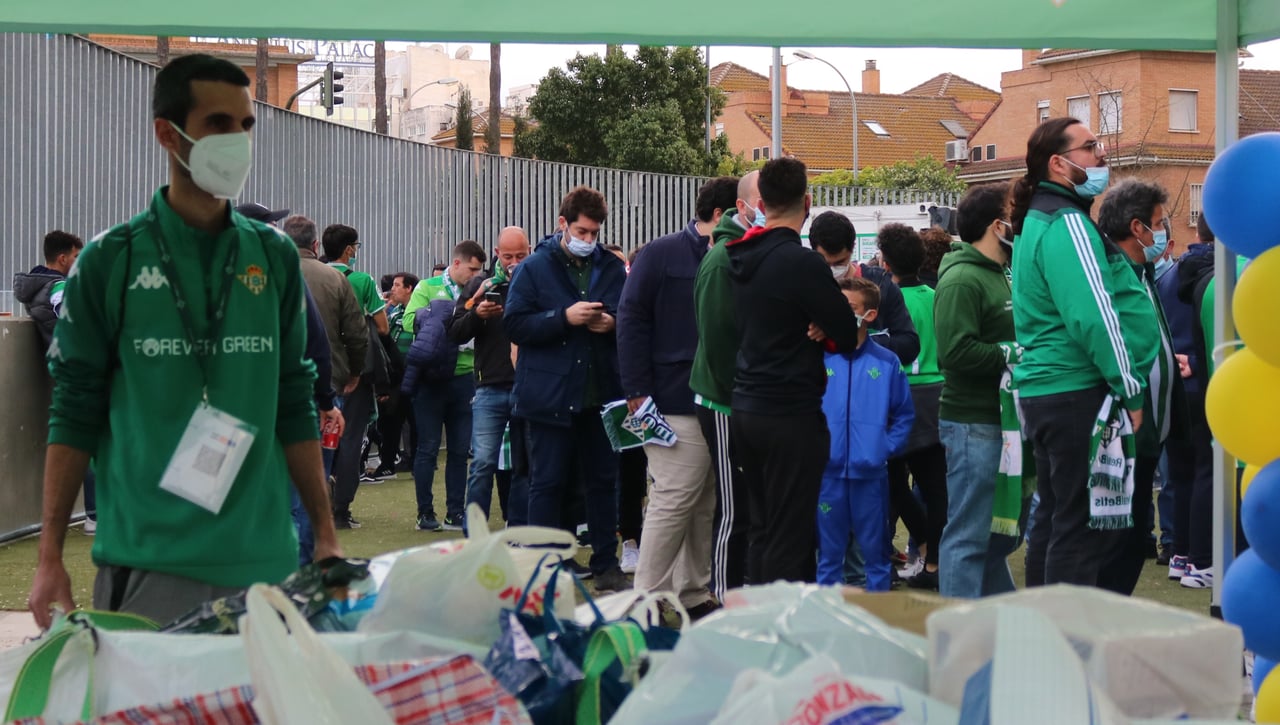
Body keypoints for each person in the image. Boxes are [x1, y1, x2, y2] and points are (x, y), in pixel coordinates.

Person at [28, 54, 340, 627]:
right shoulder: (110, 260)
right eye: (219, 125)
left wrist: (324, 534)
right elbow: (74, 409)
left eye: (245, 126)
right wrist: (49, 554)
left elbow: (293, 397)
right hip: (145, 562)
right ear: (167, 134)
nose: (238, 141)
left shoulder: (272, 256)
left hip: (263, 558)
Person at [1010, 117, 1158, 588]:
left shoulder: (1043, 217)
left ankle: (1045, 639)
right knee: (1076, 528)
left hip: (1055, 391)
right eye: (1090, 147)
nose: (1101, 156)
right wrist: (1130, 388)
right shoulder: (1067, 222)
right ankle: (1063, 645)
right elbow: (1094, 315)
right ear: (1059, 163)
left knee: (1058, 519)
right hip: (1074, 391)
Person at [726, 157, 861, 584]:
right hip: (789, 411)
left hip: (745, 407)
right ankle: (783, 634)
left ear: (761, 203)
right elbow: (846, 331)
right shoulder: (802, 264)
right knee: (791, 533)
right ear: (808, 202)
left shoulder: (735, 259)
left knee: (763, 528)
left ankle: (759, 622)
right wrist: (826, 323)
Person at [618, 176, 738, 618]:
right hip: (670, 399)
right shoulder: (661, 253)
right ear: (724, 214)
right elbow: (631, 319)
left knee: (703, 499)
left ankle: (691, 592)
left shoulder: (729, 254)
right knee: (673, 497)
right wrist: (636, 390)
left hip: (715, 400)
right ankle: (644, 600)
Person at [504, 186, 630, 593]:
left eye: (595, 233)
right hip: (548, 397)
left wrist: (611, 324)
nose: (589, 240)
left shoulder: (610, 268)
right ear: (563, 224)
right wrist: (564, 317)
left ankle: (606, 565)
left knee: (602, 481)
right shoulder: (534, 267)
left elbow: (629, 316)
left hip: (599, 395)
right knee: (547, 482)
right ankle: (545, 565)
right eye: (582, 231)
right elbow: (515, 325)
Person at [934, 183, 1026, 599]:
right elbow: (954, 353)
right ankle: (957, 641)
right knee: (969, 536)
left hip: (1001, 423)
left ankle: (994, 628)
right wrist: (1012, 352)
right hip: (974, 424)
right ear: (996, 224)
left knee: (998, 535)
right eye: (1012, 213)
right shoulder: (962, 279)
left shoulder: (1003, 272)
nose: (1018, 221)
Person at [1095, 178, 1182, 595]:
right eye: (1158, 223)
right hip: (1126, 430)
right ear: (1137, 228)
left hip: (1149, 432)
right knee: (1117, 541)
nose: (1163, 232)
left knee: (1131, 539)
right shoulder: (1113, 275)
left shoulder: (1143, 272)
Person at [817, 277, 914, 591]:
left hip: (870, 476)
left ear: (869, 316)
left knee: (876, 556)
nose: (840, 313)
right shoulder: (818, 359)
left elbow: (904, 414)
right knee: (828, 557)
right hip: (827, 476)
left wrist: (882, 448)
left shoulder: (886, 362)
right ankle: (825, 625)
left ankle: (877, 625)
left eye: (849, 308)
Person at [691, 170, 757, 599]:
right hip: (725, 402)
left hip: (749, 401)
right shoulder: (722, 259)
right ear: (744, 206)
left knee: (751, 504)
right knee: (733, 508)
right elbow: (717, 343)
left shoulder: (752, 250)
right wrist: (742, 396)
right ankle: (722, 593)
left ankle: (744, 588)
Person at [876, 223, 949, 591]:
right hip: (937, 392)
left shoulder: (889, 299)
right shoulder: (936, 294)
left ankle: (890, 558)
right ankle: (933, 562)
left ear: (885, 262)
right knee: (935, 486)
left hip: (901, 393)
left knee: (891, 482)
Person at [15, 231, 96, 534]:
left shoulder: (37, 288)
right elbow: (72, 319)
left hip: (63, 371)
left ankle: (96, 514)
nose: (80, 262)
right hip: (81, 372)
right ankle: (96, 515)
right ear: (63, 258)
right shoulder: (59, 287)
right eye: (77, 256)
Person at [403, 240, 486, 531]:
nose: (477, 275)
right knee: (427, 448)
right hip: (431, 379)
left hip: (465, 377)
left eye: (480, 270)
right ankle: (424, 512)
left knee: (460, 450)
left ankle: (455, 512)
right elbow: (408, 319)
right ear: (457, 263)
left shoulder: (481, 289)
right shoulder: (427, 287)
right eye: (473, 269)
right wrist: (443, 317)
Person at [451, 229, 530, 527]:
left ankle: (519, 527)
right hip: (489, 388)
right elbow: (454, 331)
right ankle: (475, 532)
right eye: (508, 256)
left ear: (530, 250)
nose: (513, 262)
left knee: (525, 466)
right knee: (483, 464)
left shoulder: (537, 281)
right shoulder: (480, 285)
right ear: (497, 253)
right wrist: (478, 313)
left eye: (520, 256)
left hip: (527, 386)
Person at [1162, 214, 1218, 587]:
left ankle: (1180, 553)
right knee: (1206, 472)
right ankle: (1201, 560)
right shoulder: (1220, 277)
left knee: (1180, 475)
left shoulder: (1168, 276)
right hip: (1204, 384)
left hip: (1173, 385)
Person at [320, 224, 387, 529]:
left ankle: (313, 505)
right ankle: (340, 509)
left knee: (317, 438)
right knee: (348, 440)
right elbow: (382, 327)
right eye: (356, 247)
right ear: (348, 250)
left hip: (318, 369)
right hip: (352, 373)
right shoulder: (361, 281)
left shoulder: (311, 276)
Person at [808, 211, 921, 367]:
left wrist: (863, 340)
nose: (833, 269)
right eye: (825, 263)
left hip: (870, 382)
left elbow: (909, 345)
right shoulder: (804, 287)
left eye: (840, 262)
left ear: (852, 247)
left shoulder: (881, 286)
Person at [374, 272, 420, 479]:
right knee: (389, 419)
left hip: (415, 373)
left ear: (409, 288)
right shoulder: (394, 312)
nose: (393, 289)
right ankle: (387, 462)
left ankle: (417, 461)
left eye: (397, 285)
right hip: (395, 375)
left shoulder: (420, 311)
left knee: (416, 419)